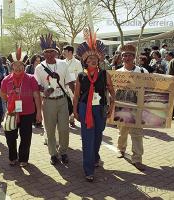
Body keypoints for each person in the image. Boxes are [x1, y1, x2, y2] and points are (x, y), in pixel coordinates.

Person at [73, 31, 115, 182]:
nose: (93, 60)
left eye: (95, 58)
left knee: (98, 135)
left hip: (100, 108)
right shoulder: (81, 76)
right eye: (90, 58)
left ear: (99, 60)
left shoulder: (104, 74)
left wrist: (112, 105)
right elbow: (77, 95)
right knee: (87, 138)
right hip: (85, 108)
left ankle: (95, 156)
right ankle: (88, 169)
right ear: (85, 61)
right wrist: (75, 110)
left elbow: (111, 91)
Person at [34, 34, 75, 165]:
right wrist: (43, 90)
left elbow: (70, 83)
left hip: (62, 100)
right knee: (50, 129)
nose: (50, 54)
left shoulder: (63, 64)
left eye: (52, 51)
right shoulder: (39, 68)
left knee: (64, 129)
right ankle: (53, 154)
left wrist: (76, 100)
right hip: (48, 102)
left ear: (56, 52)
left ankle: (63, 152)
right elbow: (37, 85)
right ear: (43, 54)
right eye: (47, 52)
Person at [1, 48, 42, 167]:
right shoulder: (6, 80)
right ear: (12, 66)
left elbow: (36, 95)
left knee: (26, 137)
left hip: (28, 113)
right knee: (10, 136)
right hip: (12, 113)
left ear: (24, 66)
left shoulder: (31, 79)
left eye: (21, 65)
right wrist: (11, 100)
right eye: (15, 65)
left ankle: (23, 158)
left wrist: (39, 112)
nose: (18, 67)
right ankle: (13, 157)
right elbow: (3, 95)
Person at [116, 44, 149, 171]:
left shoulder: (142, 72)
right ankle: (121, 149)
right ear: (121, 57)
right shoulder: (117, 73)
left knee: (137, 134)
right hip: (123, 107)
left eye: (129, 55)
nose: (126, 57)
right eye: (124, 55)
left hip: (137, 107)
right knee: (122, 131)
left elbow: (148, 87)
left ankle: (137, 159)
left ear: (134, 57)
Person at [62, 45, 83, 128]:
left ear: (70, 52)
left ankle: (72, 119)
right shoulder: (62, 62)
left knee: (73, 102)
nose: (63, 53)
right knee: (65, 102)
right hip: (64, 86)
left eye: (65, 51)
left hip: (74, 86)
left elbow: (80, 75)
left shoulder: (77, 62)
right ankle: (66, 119)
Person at [25, 54, 43, 128]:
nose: (38, 62)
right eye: (36, 60)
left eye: (39, 61)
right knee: (32, 104)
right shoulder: (29, 67)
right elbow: (26, 77)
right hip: (31, 89)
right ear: (33, 61)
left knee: (38, 104)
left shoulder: (42, 68)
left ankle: (38, 121)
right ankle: (33, 120)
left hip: (40, 89)